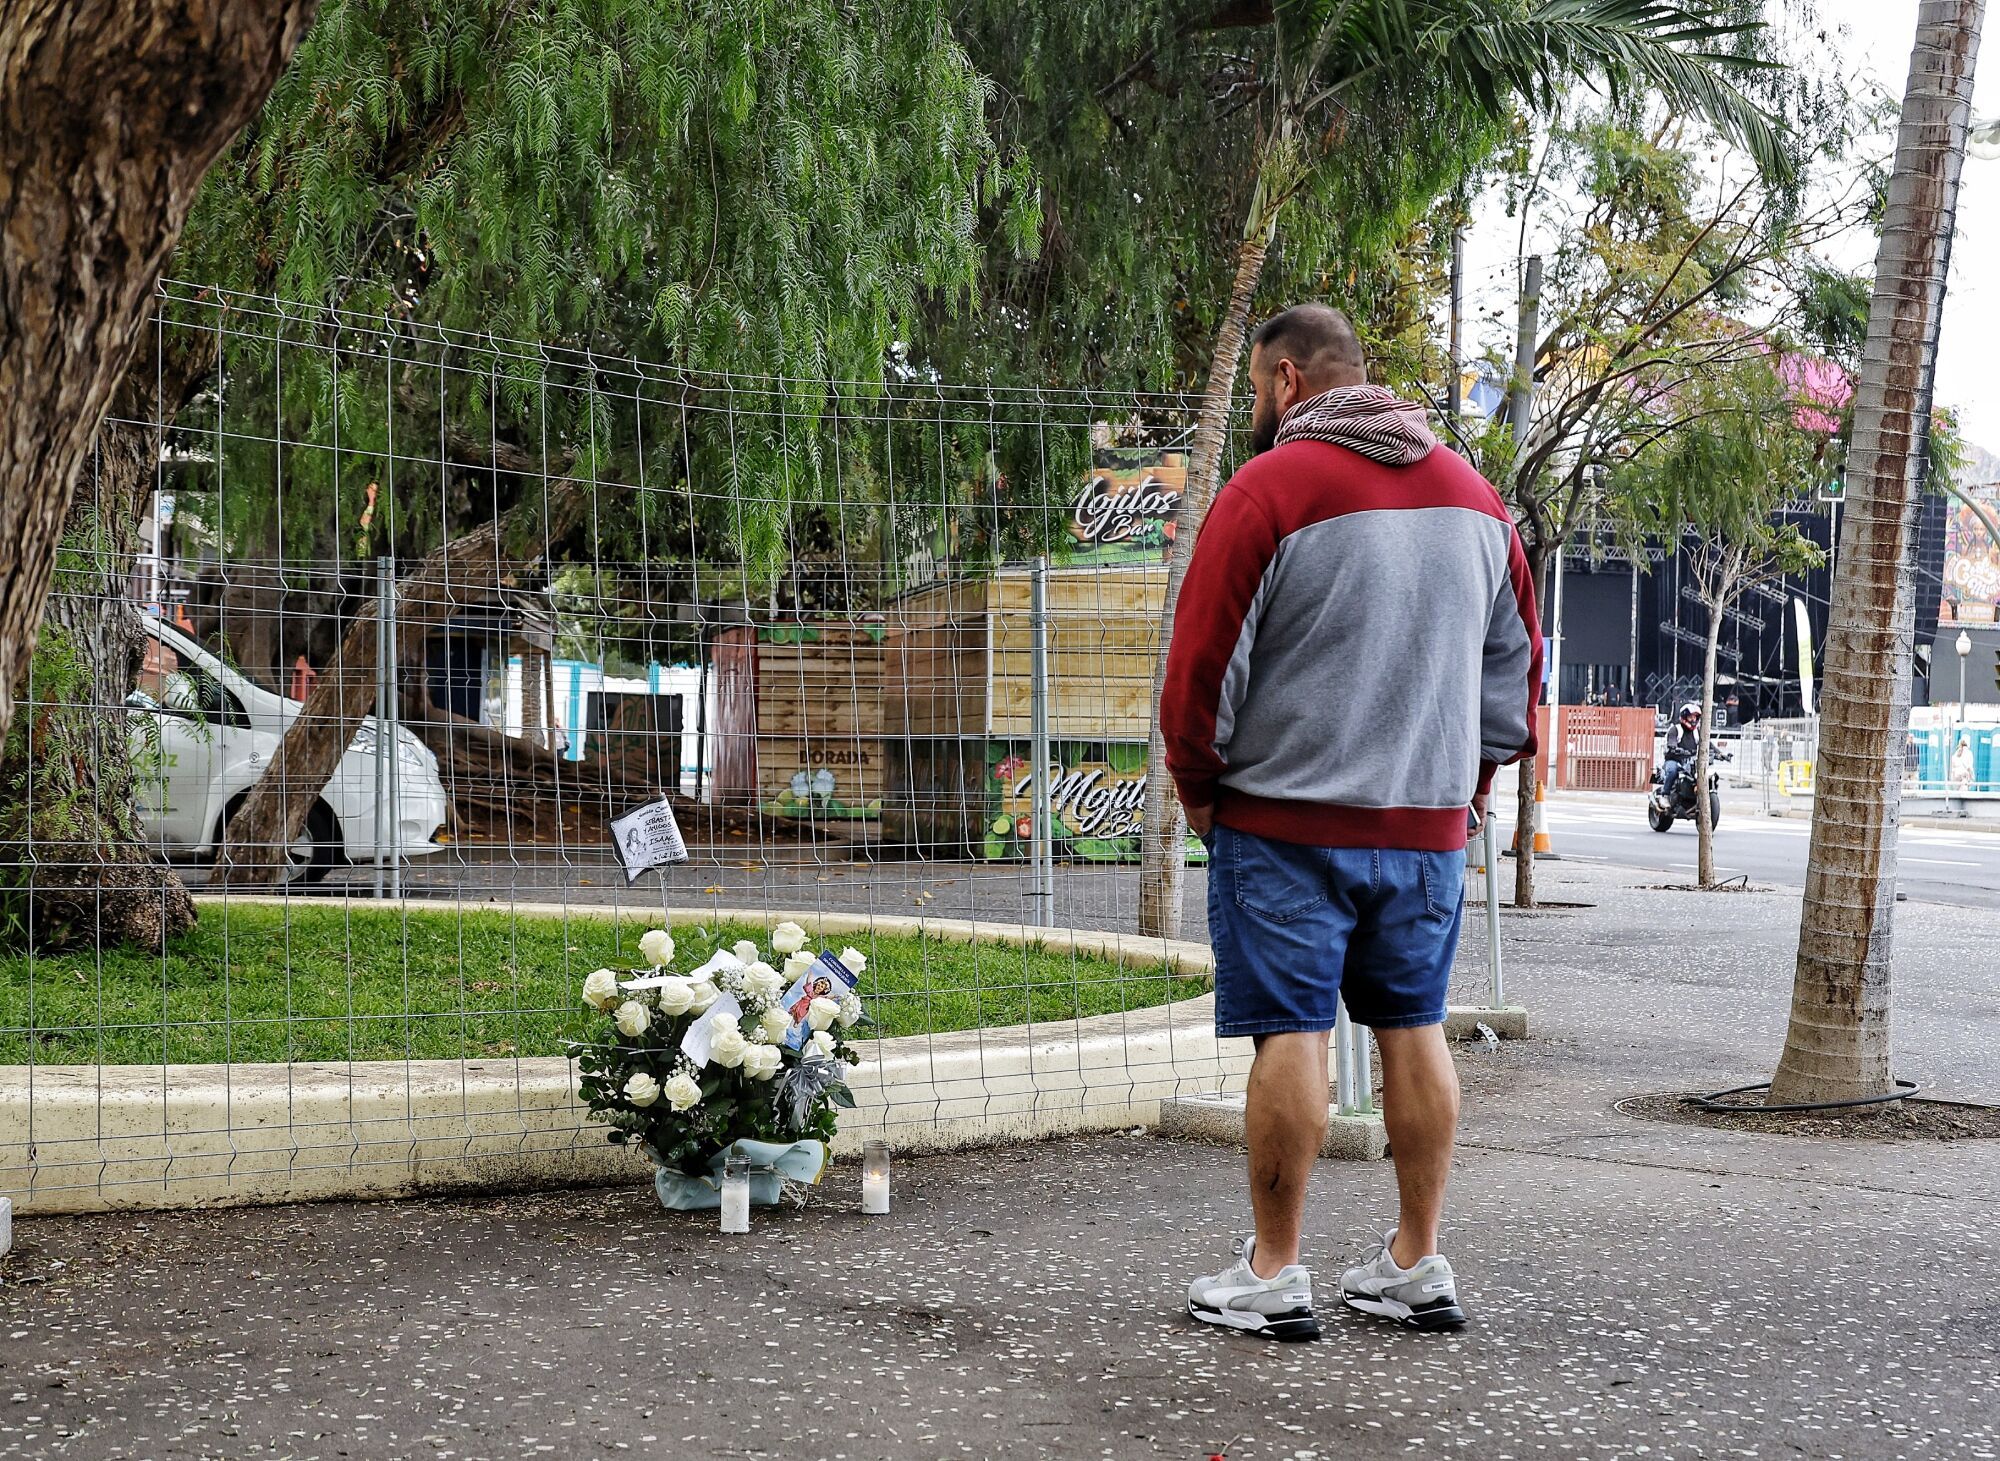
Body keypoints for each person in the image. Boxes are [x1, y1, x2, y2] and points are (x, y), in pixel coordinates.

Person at [1160, 303, 1541, 1341]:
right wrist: (1465, 786)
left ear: (1286, 382)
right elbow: (1514, 677)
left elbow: (1200, 670)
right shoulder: (1476, 502)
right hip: (1422, 830)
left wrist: (1201, 788)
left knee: (1289, 1032)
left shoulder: (1267, 491)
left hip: (1281, 824)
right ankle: (1415, 1261)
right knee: (1411, 1028)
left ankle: (1274, 1270)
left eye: (1252, 390)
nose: (1252, 407)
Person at [1658, 703, 1701, 805]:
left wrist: (1721, 754)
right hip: (1674, 760)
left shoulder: (1697, 732)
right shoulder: (1675, 729)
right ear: (1684, 716)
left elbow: (1708, 745)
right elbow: (1671, 742)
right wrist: (1675, 748)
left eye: (1695, 717)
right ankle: (1665, 795)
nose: (1693, 720)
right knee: (1672, 770)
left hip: (1690, 762)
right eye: (1691, 717)